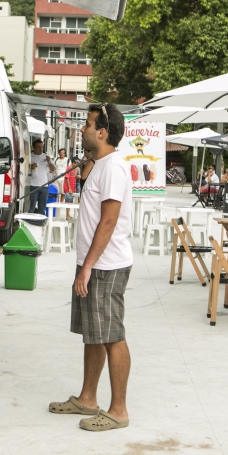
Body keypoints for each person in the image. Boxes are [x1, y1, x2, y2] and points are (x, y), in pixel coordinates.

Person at [49, 103, 132, 432]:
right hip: (93, 264)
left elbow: (109, 222)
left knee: (112, 336)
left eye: (87, 124)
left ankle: (119, 410)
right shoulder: (100, 165)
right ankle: (88, 398)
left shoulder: (113, 168)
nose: (82, 129)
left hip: (106, 266)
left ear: (102, 132)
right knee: (94, 335)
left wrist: (88, 268)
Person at [28, 139, 55, 215]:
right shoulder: (30, 156)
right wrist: (31, 166)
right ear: (34, 147)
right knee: (31, 208)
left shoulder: (45, 157)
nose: (40, 149)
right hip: (33, 185)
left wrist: (49, 162)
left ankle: (41, 224)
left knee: (42, 208)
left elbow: (53, 169)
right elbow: (25, 167)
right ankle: (30, 223)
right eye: (38, 147)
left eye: (42, 147)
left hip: (44, 185)